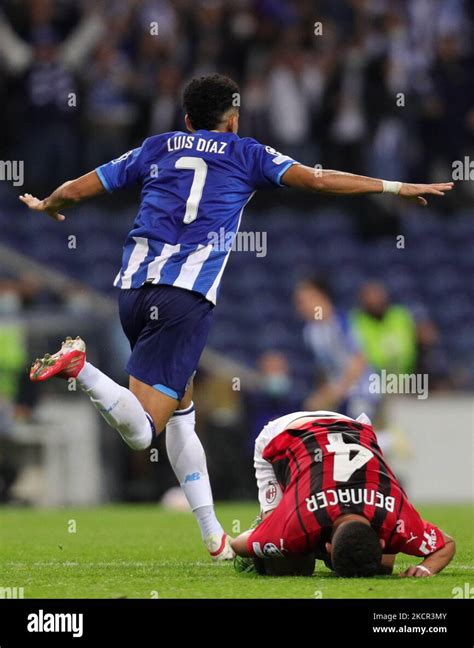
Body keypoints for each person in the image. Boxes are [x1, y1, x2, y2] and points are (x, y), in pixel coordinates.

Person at [20, 73, 452, 560]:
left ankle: (214, 539)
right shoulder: (248, 153)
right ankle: (81, 366)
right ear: (234, 118)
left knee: (182, 412)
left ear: (186, 119)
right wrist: (395, 187)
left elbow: (81, 188)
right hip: (184, 299)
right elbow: (317, 178)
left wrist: (49, 201)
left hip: (132, 292)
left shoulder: (157, 146)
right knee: (143, 431)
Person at [232, 410, 456, 578]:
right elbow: (238, 544)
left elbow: (447, 544)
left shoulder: (395, 518)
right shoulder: (296, 525)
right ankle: (268, 522)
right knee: (291, 566)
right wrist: (267, 534)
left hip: (351, 428)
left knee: (380, 567)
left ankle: (296, 538)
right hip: (282, 435)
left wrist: (427, 567)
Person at [295, 276, 379, 421]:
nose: (299, 307)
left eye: (303, 301)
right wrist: (323, 395)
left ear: (320, 297)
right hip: (340, 394)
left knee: (359, 432)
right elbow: (324, 370)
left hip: (362, 391)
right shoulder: (310, 332)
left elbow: (359, 361)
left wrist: (335, 392)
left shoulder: (343, 322)